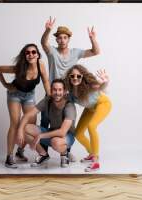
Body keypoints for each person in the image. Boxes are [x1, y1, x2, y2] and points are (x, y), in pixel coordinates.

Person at [40, 16, 101, 160]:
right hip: (51, 93)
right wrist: (47, 30)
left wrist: (92, 38)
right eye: (59, 38)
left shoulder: (75, 52)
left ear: (68, 39)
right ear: (56, 40)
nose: (62, 40)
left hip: (68, 96)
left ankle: (66, 151)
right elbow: (43, 43)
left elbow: (95, 51)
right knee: (44, 121)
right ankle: (43, 153)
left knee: (68, 123)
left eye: (64, 37)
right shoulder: (52, 52)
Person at [0, 43, 51, 168]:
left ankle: (20, 151)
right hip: (15, 94)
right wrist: (6, 84)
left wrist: (50, 97)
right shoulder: (19, 68)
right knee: (15, 124)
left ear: (37, 54)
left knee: (29, 126)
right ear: (24, 55)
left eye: (33, 52)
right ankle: (9, 157)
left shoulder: (40, 65)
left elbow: (46, 81)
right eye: (27, 52)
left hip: (29, 96)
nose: (30, 54)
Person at [17, 79, 76, 168]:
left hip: (67, 136)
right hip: (51, 132)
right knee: (25, 128)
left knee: (55, 142)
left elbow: (62, 132)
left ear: (64, 92)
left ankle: (64, 155)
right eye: (55, 89)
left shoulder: (69, 106)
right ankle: (43, 154)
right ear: (51, 91)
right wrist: (20, 130)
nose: (57, 92)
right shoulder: (47, 100)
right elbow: (28, 115)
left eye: (60, 90)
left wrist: (40, 136)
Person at [64, 64, 111, 172]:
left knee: (92, 126)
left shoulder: (89, 85)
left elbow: (101, 86)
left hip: (102, 104)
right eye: (72, 76)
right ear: (69, 77)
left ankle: (95, 161)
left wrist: (105, 81)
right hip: (90, 109)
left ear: (82, 77)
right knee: (78, 134)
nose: (75, 78)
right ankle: (92, 153)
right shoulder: (70, 92)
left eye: (78, 76)